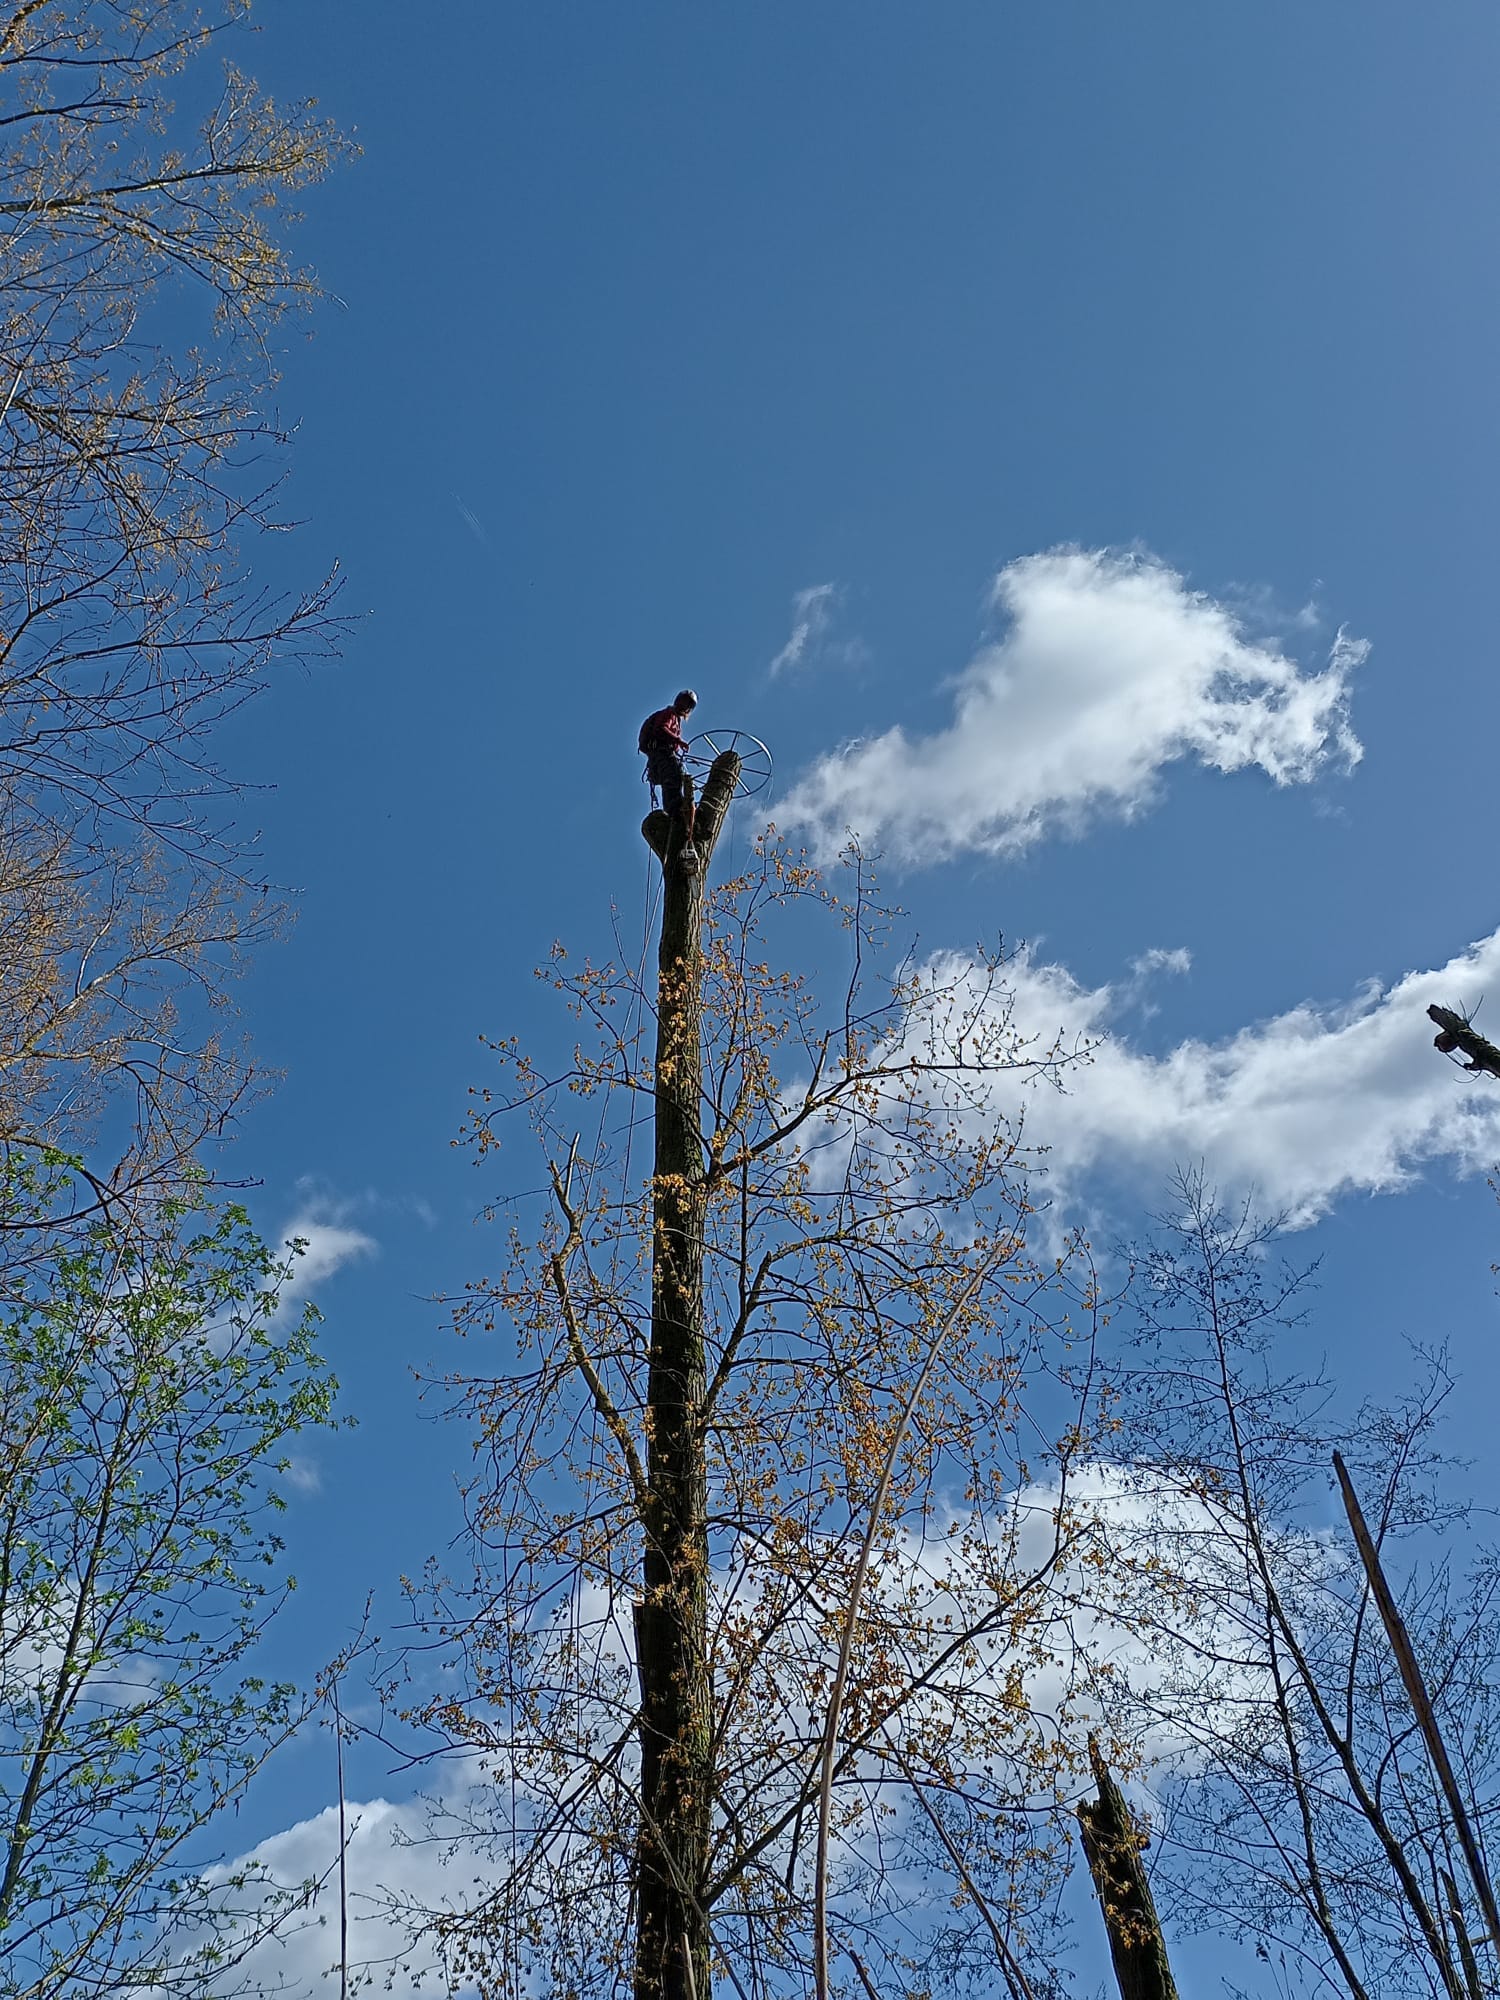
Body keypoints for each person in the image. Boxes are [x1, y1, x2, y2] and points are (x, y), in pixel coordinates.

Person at [638, 688, 698, 819]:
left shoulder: (676, 720)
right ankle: (675, 812)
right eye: (684, 702)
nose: (684, 706)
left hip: (659, 756)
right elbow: (661, 728)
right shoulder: (670, 714)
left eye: (687, 704)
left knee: (676, 778)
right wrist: (678, 741)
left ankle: (678, 808)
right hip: (662, 754)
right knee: (673, 778)